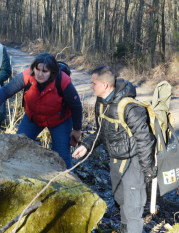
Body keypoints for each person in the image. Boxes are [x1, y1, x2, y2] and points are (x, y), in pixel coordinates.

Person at [71, 65, 157, 233]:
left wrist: (147, 168)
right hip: (115, 160)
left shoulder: (130, 107)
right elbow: (101, 130)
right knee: (120, 201)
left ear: (104, 85)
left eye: (93, 83)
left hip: (134, 163)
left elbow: (145, 138)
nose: (90, 86)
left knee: (133, 210)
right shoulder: (101, 103)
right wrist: (86, 146)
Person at [0, 53, 83, 169]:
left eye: (45, 71)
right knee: (17, 147)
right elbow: (6, 91)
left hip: (59, 121)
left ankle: (67, 184)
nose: (40, 74)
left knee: (63, 160)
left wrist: (77, 129)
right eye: (37, 69)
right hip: (33, 118)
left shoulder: (63, 81)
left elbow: (76, 106)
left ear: (52, 72)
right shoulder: (27, 75)